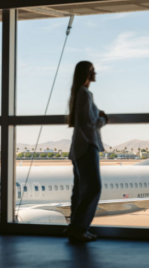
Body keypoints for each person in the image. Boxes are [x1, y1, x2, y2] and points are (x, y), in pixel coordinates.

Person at [65, 61, 108, 243]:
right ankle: (79, 228)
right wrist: (103, 119)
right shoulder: (84, 93)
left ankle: (75, 228)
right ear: (86, 74)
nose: (95, 73)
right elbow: (89, 122)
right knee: (93, 188)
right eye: (92, 70)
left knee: (80, 190)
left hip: (79, 145)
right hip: (87, 145)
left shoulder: (78, 93)